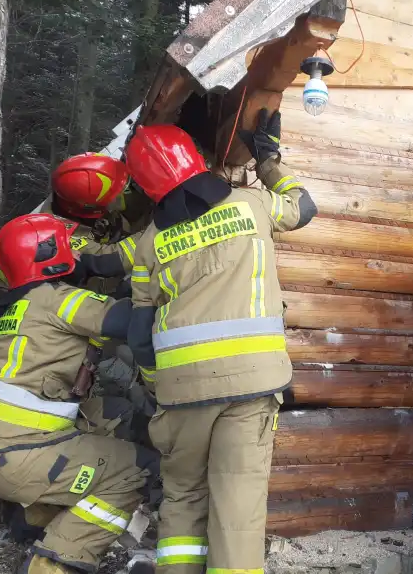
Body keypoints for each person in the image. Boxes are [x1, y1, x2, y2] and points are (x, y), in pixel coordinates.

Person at [124, 109, 317, 573]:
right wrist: (269, 159)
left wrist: (158, 387)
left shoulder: (149, 242)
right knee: (237, 510)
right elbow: (303, 206)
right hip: (250, 391)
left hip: (180, 396)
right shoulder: (251, 205)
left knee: (184, 500)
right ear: (195, 161)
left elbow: (139, 334)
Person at [0, 213, 159, 574]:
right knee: (139, 469)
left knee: (117, 414)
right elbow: (126, 321)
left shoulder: (19, 304)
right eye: (67, 243)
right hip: (21, 456)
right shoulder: (53, 299)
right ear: (48, 254)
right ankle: (55, 562)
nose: (75, 248)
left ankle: (35, 514)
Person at [0, 154, 146, 300]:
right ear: (92, 208)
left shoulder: (73, 192)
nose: (123, 195)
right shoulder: (59, 237)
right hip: (67, 293)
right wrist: (159, 230)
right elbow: (110, 260)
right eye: (117, 195)